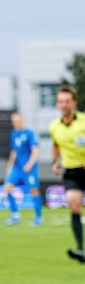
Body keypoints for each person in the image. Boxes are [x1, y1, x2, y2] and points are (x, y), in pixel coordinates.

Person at [50, 85, 85, 263]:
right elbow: (56, 144)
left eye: (67, 101)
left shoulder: (83, 122)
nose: (64, 105)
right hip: (72, 171)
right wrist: (56, 162)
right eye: (61, 101)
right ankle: (80, 249)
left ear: (74, 103)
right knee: (74, 205)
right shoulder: (54, 127)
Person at [4, 112, 42, 226]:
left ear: (22, 120)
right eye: (14, 121)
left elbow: (35, 150)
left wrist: (29, 165)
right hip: (17, 168)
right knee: (7, 188)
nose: (16, 123)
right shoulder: (14, 133)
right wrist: (9, 167)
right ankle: (15, 215)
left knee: (34, 191)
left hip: (29, 168)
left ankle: (38, 217)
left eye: (18, 121)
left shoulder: (29, 133)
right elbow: (14, 151)